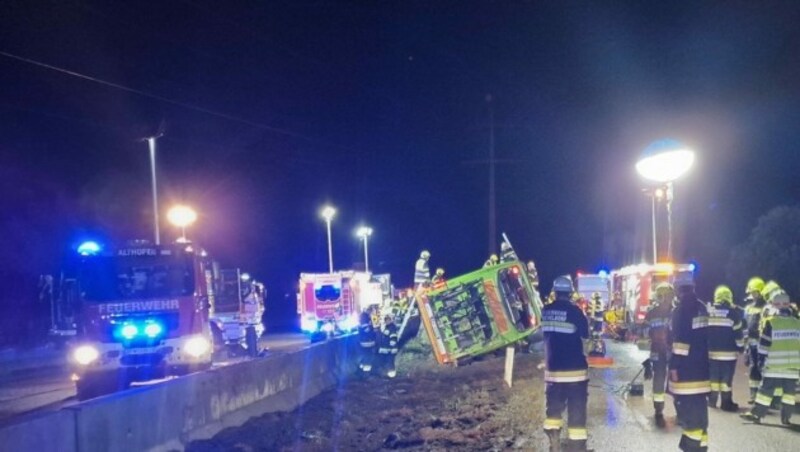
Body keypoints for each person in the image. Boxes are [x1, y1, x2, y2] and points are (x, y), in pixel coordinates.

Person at [541, 275, 590, 452]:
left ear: (555, 293)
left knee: (553, 408)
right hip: (575, 371)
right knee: (577, 411)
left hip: (553, 371)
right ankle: (576, 447)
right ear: (570, 293)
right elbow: (586, 334)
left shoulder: (545, 311)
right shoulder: (576, 311)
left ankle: (553, 437)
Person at [740, 291, 800, 425]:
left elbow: (763, 346)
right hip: (794, 368)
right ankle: (786, 418)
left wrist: (760, 361)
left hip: (774, 365)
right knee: (789, 395)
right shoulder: (797, 323)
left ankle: (756, 414)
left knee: (765, 392)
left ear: (775, 306)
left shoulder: (771, 323)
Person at [669, 277, 710, 452]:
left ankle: (691, 447)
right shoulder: (702, 307)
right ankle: (700, 447)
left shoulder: (681, 310)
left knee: (689, 413)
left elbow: (680, 342)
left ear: (678, 290)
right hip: (703, 369)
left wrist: (673, 366)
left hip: (687, 370)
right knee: (700, 412)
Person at [707, 285, 744, 412]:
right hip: (729, 354)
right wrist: (741, 348)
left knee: (713, 378)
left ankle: (712, 401)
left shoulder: (709, 312)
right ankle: (726, 403)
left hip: (711, 353)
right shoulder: (734, 313)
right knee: (726, 380)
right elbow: (738, 334)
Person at [644, 282, 674, 427]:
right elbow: (644, 332)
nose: (669, 298)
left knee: (675, 379)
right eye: (667, 296)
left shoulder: (675, 312)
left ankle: (679, 406)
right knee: (659, 379)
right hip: (658, 351)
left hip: (671, 350)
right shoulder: (652, 313)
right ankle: (658, 409)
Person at [743, 277, 767, 403]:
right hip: (752, 343)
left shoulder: (767, 307)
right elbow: (745, 326)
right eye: (751, 292)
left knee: (764, 368)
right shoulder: (748, 308)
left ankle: (766, 396)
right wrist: (745, 343)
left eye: (755, 292)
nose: (753, 295)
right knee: (753, 368)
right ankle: (754, 395)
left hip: (764, 343)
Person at [358, 306, 378, 373]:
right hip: (368, 341)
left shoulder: (362, 317)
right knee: (368, 355)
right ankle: (367, 370)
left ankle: (362, 367)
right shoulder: (367, 319)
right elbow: (372, 330)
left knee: (365, 354)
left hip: (363, 342)